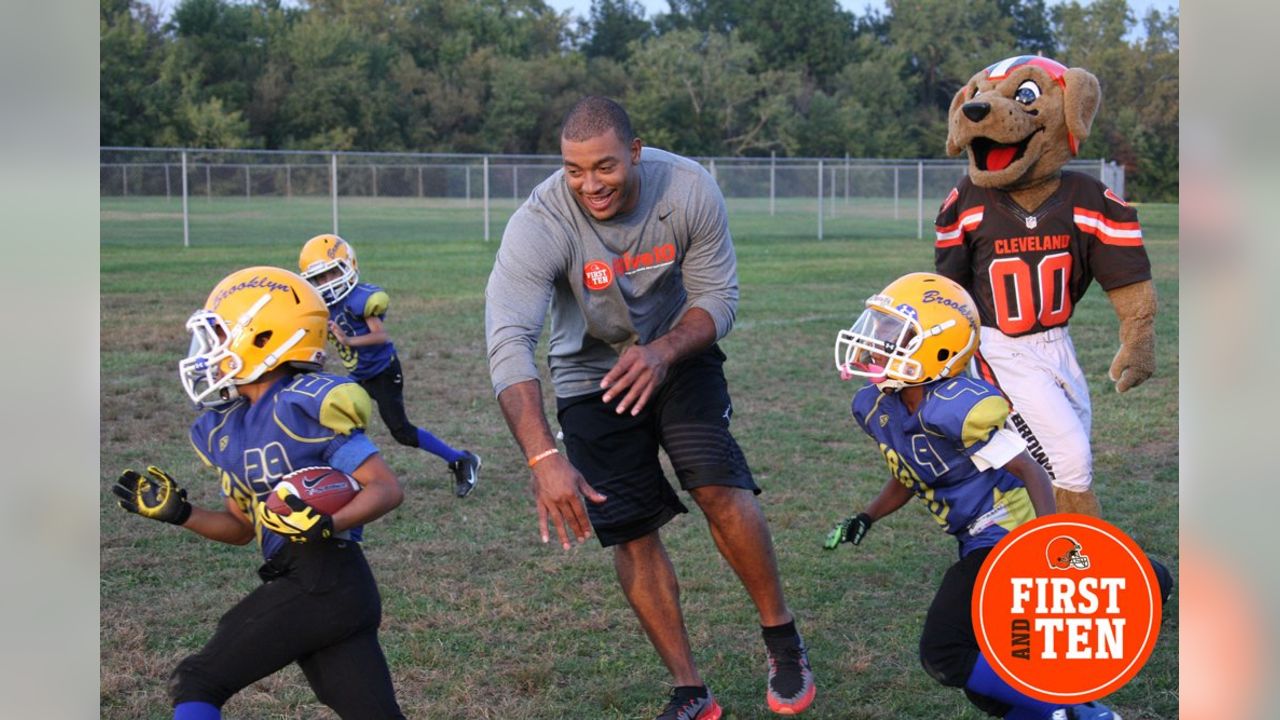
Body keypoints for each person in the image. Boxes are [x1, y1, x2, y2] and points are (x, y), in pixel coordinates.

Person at [484, 96, 815, 719]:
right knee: (630, 530)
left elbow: (719, 298)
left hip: (679, 355)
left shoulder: (688, 189)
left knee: (716, 483)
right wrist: (541, 457)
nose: (589, 184)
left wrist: (662, 353)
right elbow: (509, 342)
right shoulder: (540, 221)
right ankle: (692, 692)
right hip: (589, 376)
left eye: (604, 167)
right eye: (574, 170)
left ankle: (782, 637)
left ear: (634, 153)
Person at [822, 271, 1126, 720]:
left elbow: (1031, 471)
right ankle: (1064, 710)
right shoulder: (880, 404)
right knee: (986, 684)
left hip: (1007, 534)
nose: (875, 341)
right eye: (880, 328)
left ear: (937, 348)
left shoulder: (960, 407)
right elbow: (911, 472)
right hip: (975, 540)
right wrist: (867, 516)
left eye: (892, 332)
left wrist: (1043, 541)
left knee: (947, 654)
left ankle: (1080, 709)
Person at [111, 266, 407, 720]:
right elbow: (242, 527)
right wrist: (182, 513)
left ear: (265, 338)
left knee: (199, 679)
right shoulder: (230, 424)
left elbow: (385, 489)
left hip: (322, 577)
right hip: (332, 589)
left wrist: (328, 523)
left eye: (219, 337)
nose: (207, 353)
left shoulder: (302, 405)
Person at [936, 55, 1158, 518]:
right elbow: (947, 290)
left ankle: (1018, 533)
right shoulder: (968, 199)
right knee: (1071, 461)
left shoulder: (1087, 198)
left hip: (1058, 345)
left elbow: (1126, 274)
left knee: (1064, 451)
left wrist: (1138, 336)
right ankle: (1079, 554)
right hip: (1000, 348)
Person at [299, 233, 481, 498]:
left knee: (401, 431)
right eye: (319, 278)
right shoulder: (324, 305)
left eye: (331, 274)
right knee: (340, 423)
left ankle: (461, 459)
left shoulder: (360, 299)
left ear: (348, 266)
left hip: (383, 372)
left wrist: (348, 339)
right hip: (359, 375)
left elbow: (381, 335)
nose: (326, 283)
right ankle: (342, 478)